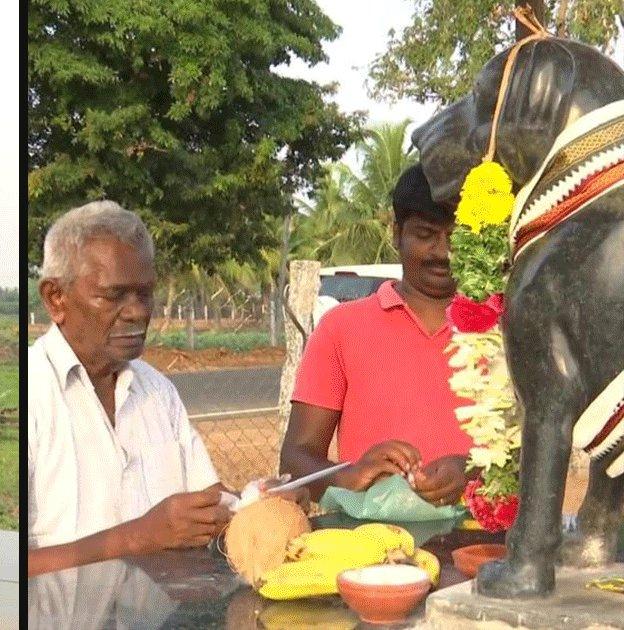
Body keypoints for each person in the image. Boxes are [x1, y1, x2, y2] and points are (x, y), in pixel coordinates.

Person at [28, 200, 306, 578]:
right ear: (55, 298)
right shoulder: (31, 395)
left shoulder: (158, 391)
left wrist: (254, 504)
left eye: (145, 294)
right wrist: (137, 538)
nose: (137, 312)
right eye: (113, 296)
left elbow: (208, 504)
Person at [280, 164, 474, 506]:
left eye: (458, 237)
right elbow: (296, 460)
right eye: (425, 234)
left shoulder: (501, 330)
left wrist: (473, 473)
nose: (443, 253)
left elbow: (535, 456)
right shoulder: (340, 328)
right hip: (371, 536)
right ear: (397, 235)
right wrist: (350, 476)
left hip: (484, 536)